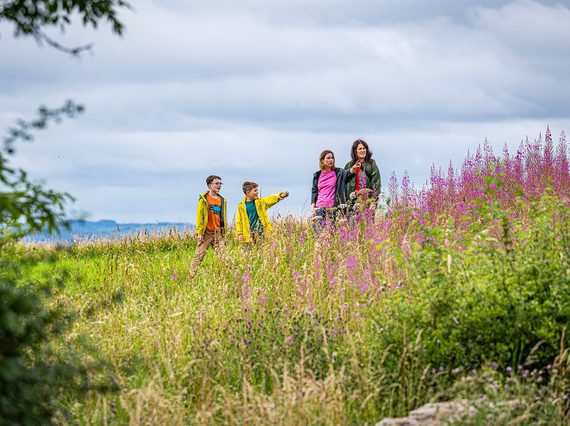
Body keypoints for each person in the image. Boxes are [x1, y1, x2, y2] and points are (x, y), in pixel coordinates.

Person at [188, 175, 227, 279]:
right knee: (199, 256)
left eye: (220, 183)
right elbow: (199, 217)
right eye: (216, 183)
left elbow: (222, 217)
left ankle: (224, 277)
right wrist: (199, 233)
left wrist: (223, 231)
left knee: (223, 256)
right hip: (206, 233)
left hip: (218, 232)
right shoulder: (204, 199)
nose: (219, 186)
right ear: (210, 186)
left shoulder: (222, 200)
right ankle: (190, 277)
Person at [311, 150, 350, 231]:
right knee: (318, 234)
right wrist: (313, 208)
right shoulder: (317, 175)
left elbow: (348, 174)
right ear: (322, 160)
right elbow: (314, 191)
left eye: (332, 158)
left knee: (332, 233)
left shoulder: (338, 172)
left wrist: (353, 168)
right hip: (320, 207)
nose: (331, 160)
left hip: (332, 208)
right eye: (328, 158)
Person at [344, 139, 381, 213]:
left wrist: (373, 201)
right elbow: (344, 182)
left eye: (364, 148)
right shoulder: (349, 165)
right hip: (352, 201)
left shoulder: (372, 164)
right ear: (355, 151)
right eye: (360, 149)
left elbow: (376, 183)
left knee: (367, 222)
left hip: (367, 200)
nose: (362, 150)